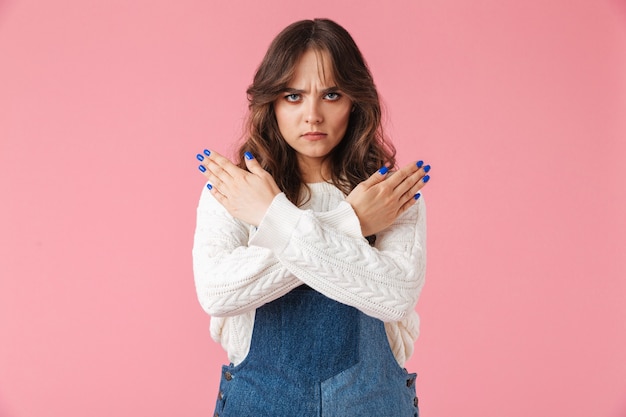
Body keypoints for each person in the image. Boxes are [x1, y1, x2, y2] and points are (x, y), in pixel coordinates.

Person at [192, 18, 430, 417]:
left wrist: (273, 219)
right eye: (293, 96)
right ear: (271, 102)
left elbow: (395, 297)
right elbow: (218, 293)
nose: (313, 115)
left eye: (332, 94)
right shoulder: (236, 190)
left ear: (356, 100)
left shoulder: (387, 193)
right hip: (257, 405)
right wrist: (350, 223)